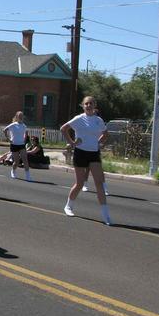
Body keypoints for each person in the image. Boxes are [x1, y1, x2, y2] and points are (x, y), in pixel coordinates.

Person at [60, 96, 112, 225]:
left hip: (94, 154)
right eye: (86, 104)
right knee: (79, 183)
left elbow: (106, 134)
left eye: (91, 103)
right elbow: (63, 129)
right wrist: (72, 143)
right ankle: (68, 206)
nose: (88, 105)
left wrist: (98, 143)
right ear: (83, 106)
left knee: (99, 183)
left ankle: (106, 215)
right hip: (80, 153)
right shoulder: (79, 119)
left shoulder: (98, 120)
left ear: (95, 105)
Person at [4, 111, 32, 181]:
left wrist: (24, 139)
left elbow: (26, 132)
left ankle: (28, 176)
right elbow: (4, 130)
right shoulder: (13, 125)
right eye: (19, 116)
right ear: (16, 117)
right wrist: (8, 139)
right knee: (16, 162)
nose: (21, 117)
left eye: (22, 116)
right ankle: (13, 171)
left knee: (25, 160)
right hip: (14, 145)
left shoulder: (24, 125)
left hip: (21, 145)